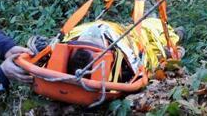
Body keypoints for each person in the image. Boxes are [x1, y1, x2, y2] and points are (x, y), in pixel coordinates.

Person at [29, 18, 182, 82]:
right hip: (132, 39)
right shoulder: (124, 67)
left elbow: (44, 48)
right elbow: (146, 63)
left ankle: (176, 35)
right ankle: (178, 35)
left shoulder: (61, 51)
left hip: (119, 33)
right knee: (154, 31)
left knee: (149, 30)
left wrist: (42, 49)